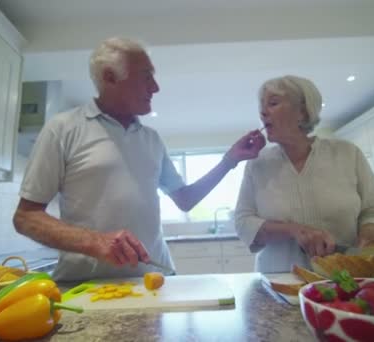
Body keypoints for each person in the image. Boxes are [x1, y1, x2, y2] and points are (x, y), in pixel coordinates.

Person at [13, 37, 266, 282]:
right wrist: (95, 242)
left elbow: (185, 200)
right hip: (86, 287)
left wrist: (230, 159)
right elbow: (26, 217)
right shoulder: (63, 128)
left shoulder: (151, 139)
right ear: (110, 77)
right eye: (146, 76)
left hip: (154, 280)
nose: (155, 87)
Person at [234, 75, 374, 273]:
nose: (262, 112)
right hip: (279, 281)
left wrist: (372, 229)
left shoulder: (347, 153)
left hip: (347, 280)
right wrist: (293, 230)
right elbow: (243, 222)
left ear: (303, 112)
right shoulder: (257, 164)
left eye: (273, 103)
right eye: (261, 106)